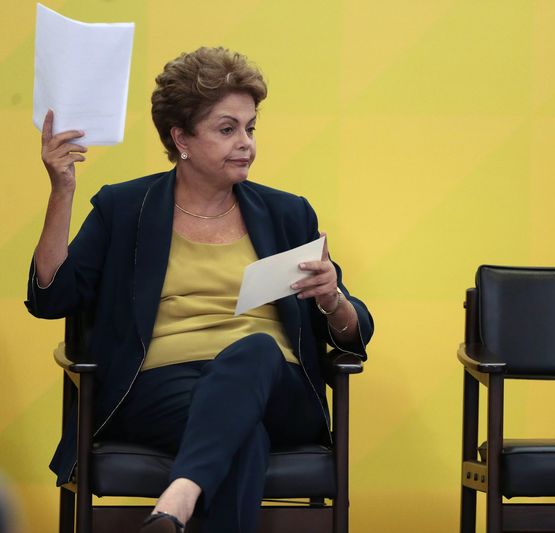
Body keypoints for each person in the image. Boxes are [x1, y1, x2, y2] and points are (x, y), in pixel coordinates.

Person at [25, 46, 373, 533]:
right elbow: (52, 298)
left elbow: (354, 332)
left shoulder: (287, 213)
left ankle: (178, 497)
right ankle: (177, 507)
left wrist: (333, 298)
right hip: (158, 387)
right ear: (180, 137)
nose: (246, 143)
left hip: (278, 385)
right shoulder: (124, 209)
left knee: (254, 352)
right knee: (241, 435)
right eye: (227, 129)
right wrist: (62, 190)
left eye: (250, 128)